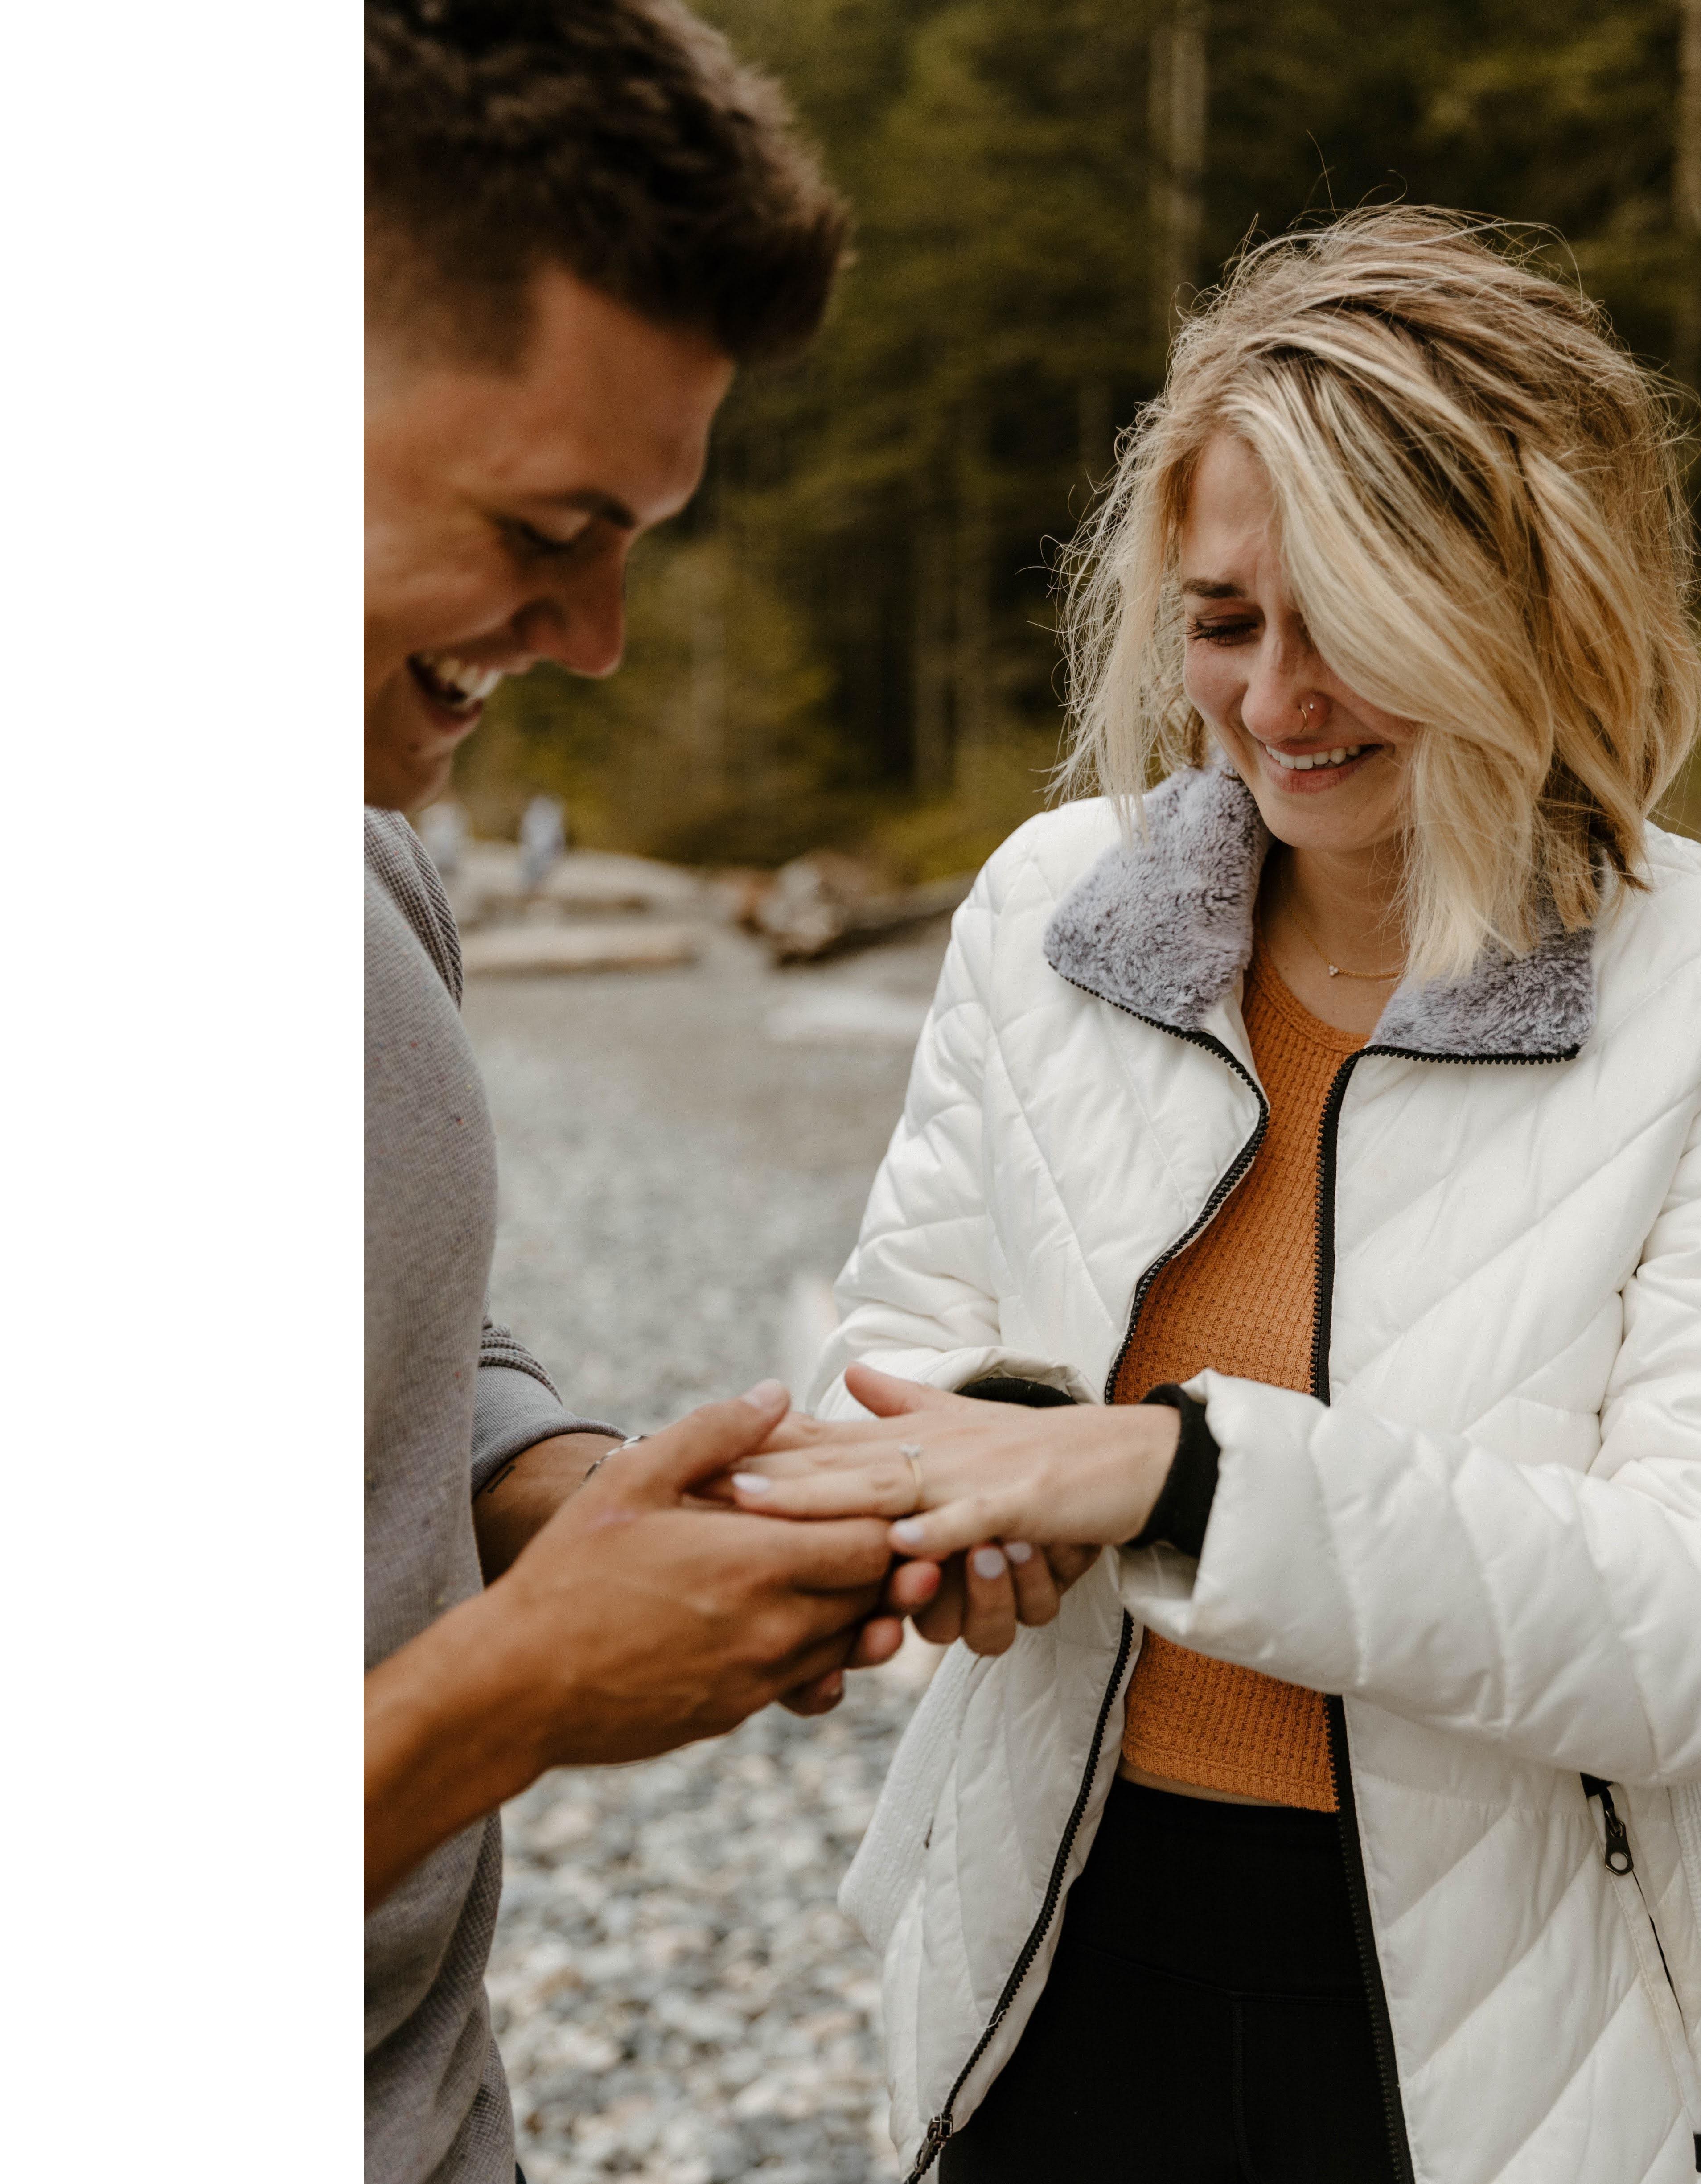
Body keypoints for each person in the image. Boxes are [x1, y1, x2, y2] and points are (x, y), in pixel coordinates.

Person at [727, 210, 1701, 2183]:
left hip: (1499, 2051)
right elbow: (892, 1384)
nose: (1275, 699)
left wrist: (1169, 1481)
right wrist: (958, 1512)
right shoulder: (1044, 911)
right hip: (1043, 1961)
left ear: (1531, 606)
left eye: (1356, 621)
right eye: (1226, 621)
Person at [362, 7, 963, 2180]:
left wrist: (571, 1489)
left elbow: (407, 1341)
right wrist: (516, 1687)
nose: (602, 636)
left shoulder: (365, 871)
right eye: (550, 522)